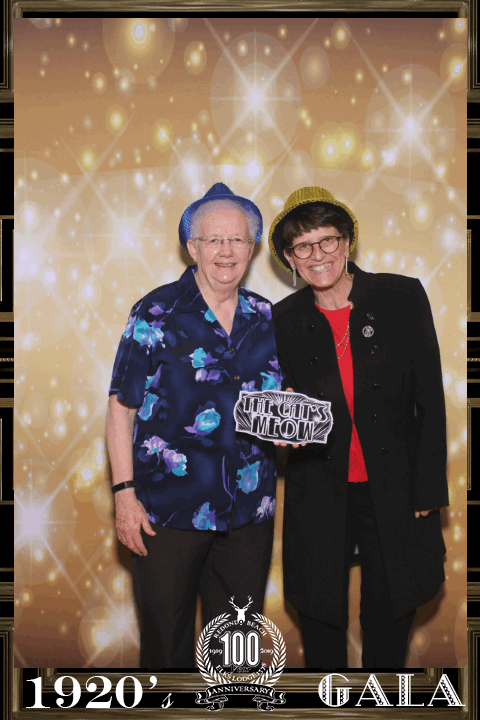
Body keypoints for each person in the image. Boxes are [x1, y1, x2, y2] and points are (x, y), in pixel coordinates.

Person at [269, 186, 449, 668]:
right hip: (318, 489)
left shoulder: (401, 296)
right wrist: (281, 427)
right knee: (320, 618)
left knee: (390, 613)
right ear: (289, 258)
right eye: (302, 246)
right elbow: (277, 405)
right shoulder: (280, 320)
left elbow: (430, 399)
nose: (317, 255)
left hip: (395, 487)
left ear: (347, 241)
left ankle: (378, 700)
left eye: (327, 239)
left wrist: (428, 488)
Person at [106, 183, 282, 668]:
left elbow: (282, 403)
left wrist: (294, 426)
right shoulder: (155, 312)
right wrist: (124, 496)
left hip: (249, 513)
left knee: (237, 654)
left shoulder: (267, 316)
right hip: (166, 513)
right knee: (166, 648)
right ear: (192, 247)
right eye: (213, 240)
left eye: (237, 239)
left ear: (252, 248)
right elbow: (121, 409)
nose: (226, 250)